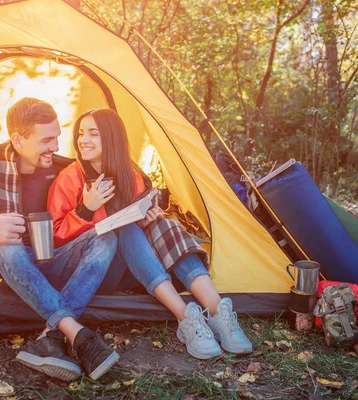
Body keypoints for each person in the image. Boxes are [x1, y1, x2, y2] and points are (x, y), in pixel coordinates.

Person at [0, 98, 120, 382]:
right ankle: (76, 333)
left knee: (106, 237)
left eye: (57, 137)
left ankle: (49, 339)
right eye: (46, 140)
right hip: (0, 262)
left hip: (47, 259)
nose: (55, 146)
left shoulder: (64, 171)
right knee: (6, 244)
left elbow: (116, 172)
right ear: (18, 140)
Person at [47, 109, 253, 360]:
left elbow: (137, 233)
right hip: (91, 270)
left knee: (163, 225)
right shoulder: (69, 178)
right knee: (123, 227)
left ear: (111, 137)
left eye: (93, 133)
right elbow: (56, 239)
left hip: (131, 269)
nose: (83, 140)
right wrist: (85, 209)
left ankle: (217, 312)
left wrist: (147, 220)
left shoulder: (130, 176)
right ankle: (185, 316)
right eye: (80, 133)